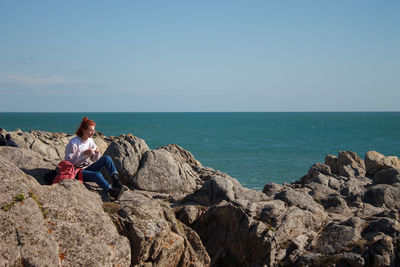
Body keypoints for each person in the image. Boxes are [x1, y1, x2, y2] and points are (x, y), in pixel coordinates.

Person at [65, 117, 126, 200]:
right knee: (97, 175)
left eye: (93, 130)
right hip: (76, 171)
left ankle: (116, 182)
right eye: (90, 130)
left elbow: (94, 160)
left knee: (107, 158)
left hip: (86, 168)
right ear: (83, 130)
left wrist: (96, 153)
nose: (92, 132)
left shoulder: (90, 141)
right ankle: (111, 191)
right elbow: (68, 161)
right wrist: (83, 154)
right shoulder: (73, 142)